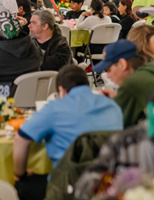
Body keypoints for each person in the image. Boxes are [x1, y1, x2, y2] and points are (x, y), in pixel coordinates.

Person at [14, 64, 122, 193]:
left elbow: (21, 139)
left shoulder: (55, 108)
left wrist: (21, 174)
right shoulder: (113, 106)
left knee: (20, 187)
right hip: (107, 184)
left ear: (61, 91)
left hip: (67, 185)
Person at [94, 39, 154, 127]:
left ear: (122, 64)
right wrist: (117, 97)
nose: (108, 75)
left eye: (108, 69)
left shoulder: (131, 83)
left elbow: (113, 122)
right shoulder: (152, 71)